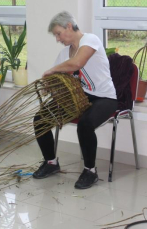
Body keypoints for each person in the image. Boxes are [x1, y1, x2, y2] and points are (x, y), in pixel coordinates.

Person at [33, 11, 118, 189]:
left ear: (69, 26)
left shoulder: (90, 40)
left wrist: (52, 70)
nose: (57, 38)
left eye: (58, 33)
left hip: (104, 97)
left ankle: (90, 171)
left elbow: (77, 63)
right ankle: (51, 163)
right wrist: (49, 84)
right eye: (55, 35)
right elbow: (57, 76)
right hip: (80, 97)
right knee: (41, 119)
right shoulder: (65, 53)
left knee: (85, 124)